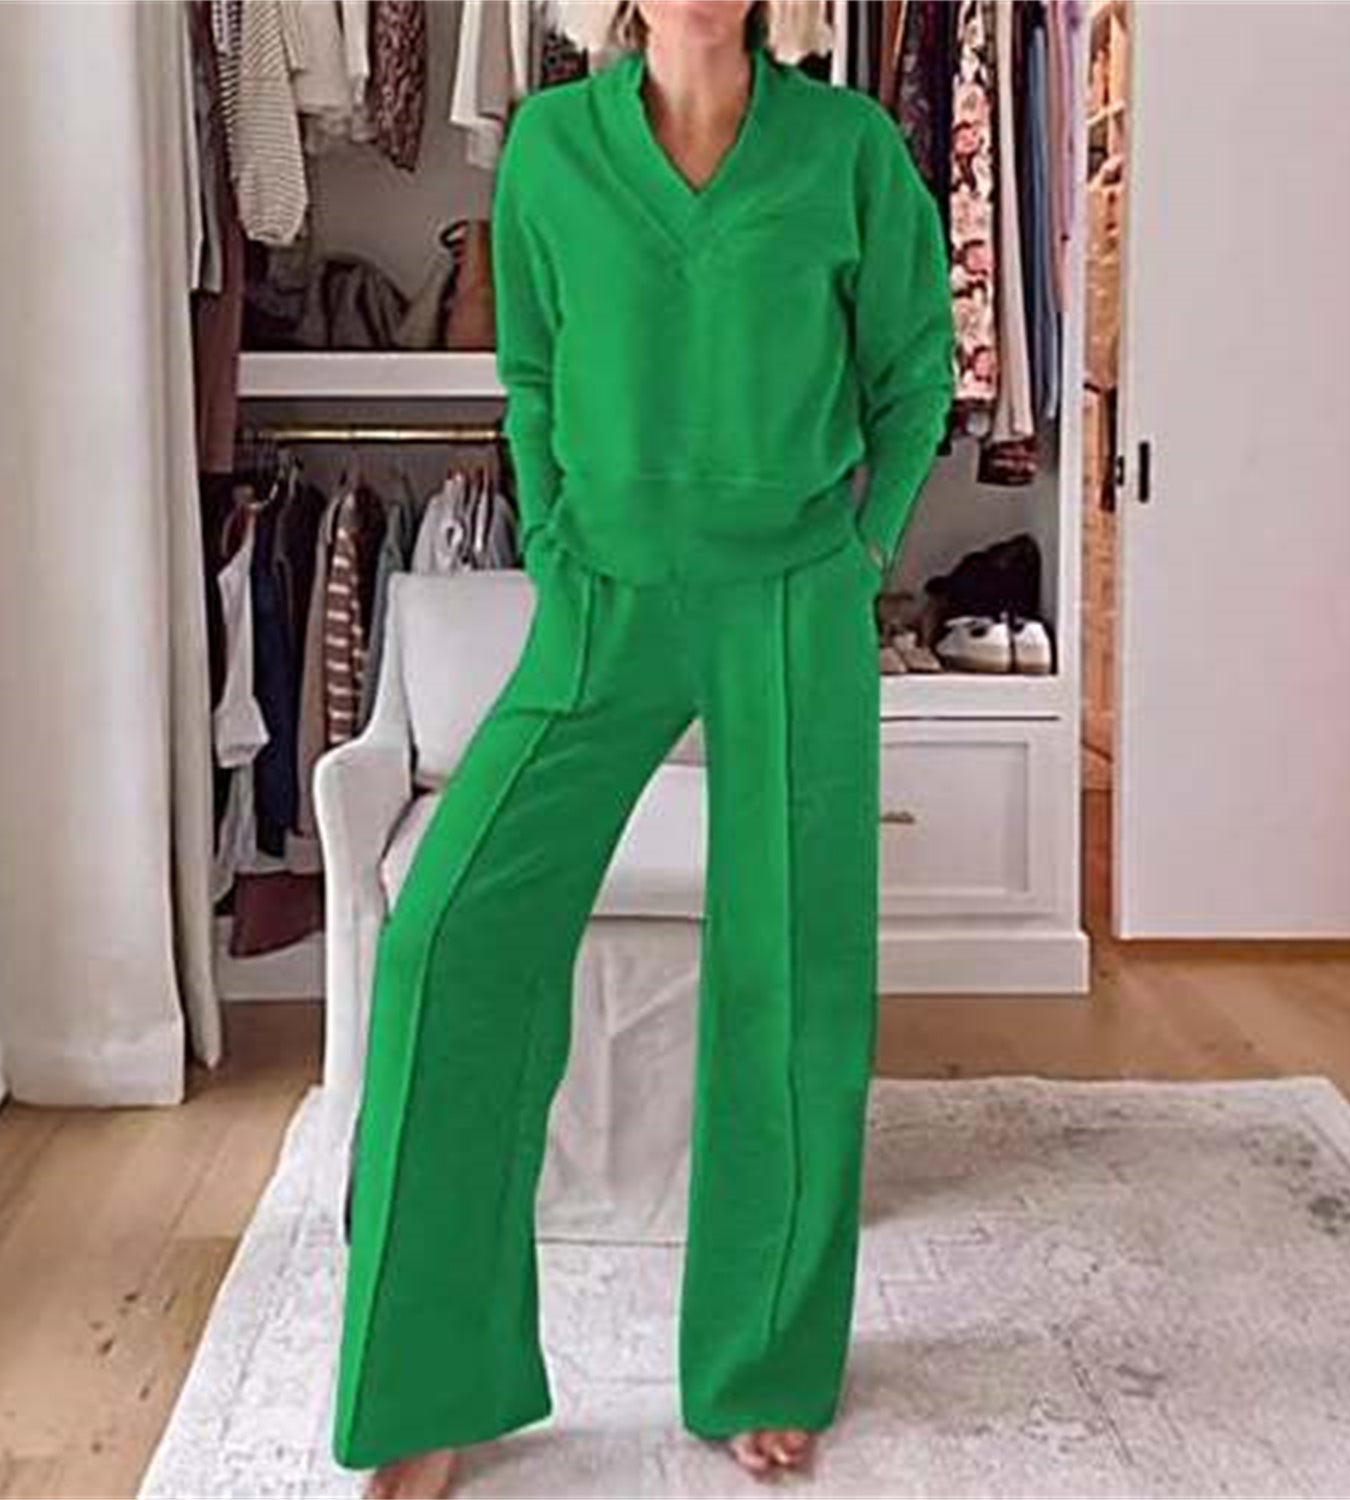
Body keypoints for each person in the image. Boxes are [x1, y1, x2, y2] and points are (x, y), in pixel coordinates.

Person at [332, 1, 955, 1494]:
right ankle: (433, 1384)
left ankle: (762, 1364)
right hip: (603, 597)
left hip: (792, 599)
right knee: (446, 941)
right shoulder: (551, 146)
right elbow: (533, 375)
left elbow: (916, 371)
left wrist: (861, 552)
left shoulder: (850, 148)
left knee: (789, 987)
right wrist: (555, 545)